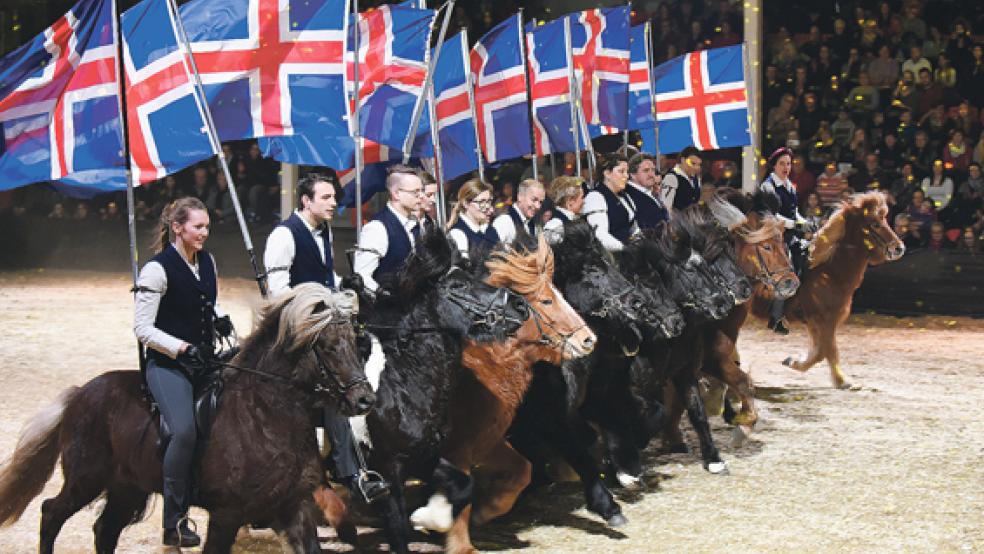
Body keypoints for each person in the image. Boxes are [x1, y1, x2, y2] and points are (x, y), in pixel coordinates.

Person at [263, 174, 389, 503]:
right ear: (306, 201)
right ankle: (353, 472)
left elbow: (322, 275)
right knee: (336, 386)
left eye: (333, 197)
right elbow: (278, 290)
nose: (334, 203)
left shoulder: (324, 231)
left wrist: (344, 287)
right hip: (297, 331)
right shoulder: (284, 234)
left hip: (325, 326)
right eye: (326, 197)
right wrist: (318, 310)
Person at [133, 197, 231, 547]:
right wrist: (183, 348)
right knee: (185, 432)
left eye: (207, 227)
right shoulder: (156, 270)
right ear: (178, 228)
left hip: (204, 359)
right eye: (198, 227)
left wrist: (219, 317)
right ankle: (173, 522)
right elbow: (143, 329)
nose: (205, 233)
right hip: (168, 365)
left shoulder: (207, 261)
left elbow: (204, 300)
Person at [759, 147, 809, 335]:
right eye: (782, 163)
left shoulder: (790, 185)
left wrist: (803, 222)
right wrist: (794, 224)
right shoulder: (768, 187)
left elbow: (793, 211)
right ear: (774, 165)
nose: (786, 167)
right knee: (785, 269)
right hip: (774, 235)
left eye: (788, 163)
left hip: (789, 233)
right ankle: (776, 316)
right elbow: (772, 215)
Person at [353, 165, 423, 293]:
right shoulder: (377, 228)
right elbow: (362, 276)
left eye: (421, 191)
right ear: (396, 193)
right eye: (415, 192)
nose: (421, 196)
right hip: (387, 309)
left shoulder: (417, 224)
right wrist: (384, 295)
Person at [583, 154, 638, 252]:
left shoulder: (625, 196)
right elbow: (599, 235)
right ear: (607, 173)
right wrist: (624, 249)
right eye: (621, 171)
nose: (626, 176)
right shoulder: (595, 197)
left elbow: (633, 227)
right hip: (612, 258)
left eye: (627, 172)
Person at [447, 179, 499, 258]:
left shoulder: (490, 230)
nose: (488, 206)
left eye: (489, 201)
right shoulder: (458, 233)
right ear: (465, 203)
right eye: (481, 202)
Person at [624, 153, 669, 230]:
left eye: (653, 170)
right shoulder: (628, 195)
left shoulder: (647, 191)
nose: (651, 174)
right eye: (646, 170)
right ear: (632, 175)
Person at [492, 178, 544, 243]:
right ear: (520, 197)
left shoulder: (533, 223)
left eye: (541, 202)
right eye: (534, 200)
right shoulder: (504, 221)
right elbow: (493, 251)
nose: (538, 206)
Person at [542, 175, 585, 244]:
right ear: (570, 201)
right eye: (581, 197)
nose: (583, 201)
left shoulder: (571, 219)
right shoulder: (555, 225)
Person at [660, 145, 703, 212]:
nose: (696, 167)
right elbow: (666, 207)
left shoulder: (696, 179)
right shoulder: (671, 177)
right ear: (683, 160)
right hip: (677, 221)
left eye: (699, 164)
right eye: (692, 163)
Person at [417, 170, 439, 234]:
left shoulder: (431, 221)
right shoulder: (404, 222)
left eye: (435, 195)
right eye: (428, 195)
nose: (434, 200)